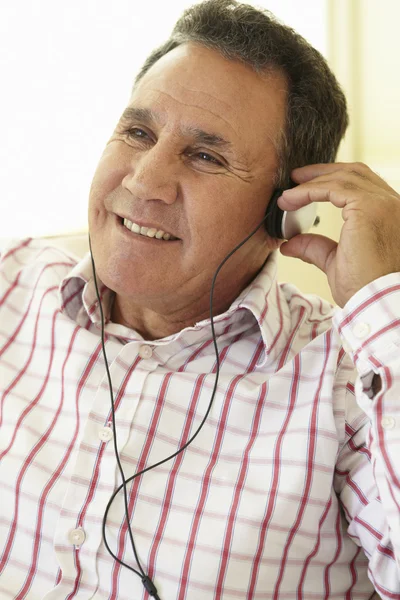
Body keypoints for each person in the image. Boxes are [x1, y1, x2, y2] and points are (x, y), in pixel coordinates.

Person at [1, 0, 400, 597]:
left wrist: (383, 301)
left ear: (284, 210)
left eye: (205, 156)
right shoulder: (10, 282)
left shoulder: (349, 383)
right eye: (138, 132)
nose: (144, 181)